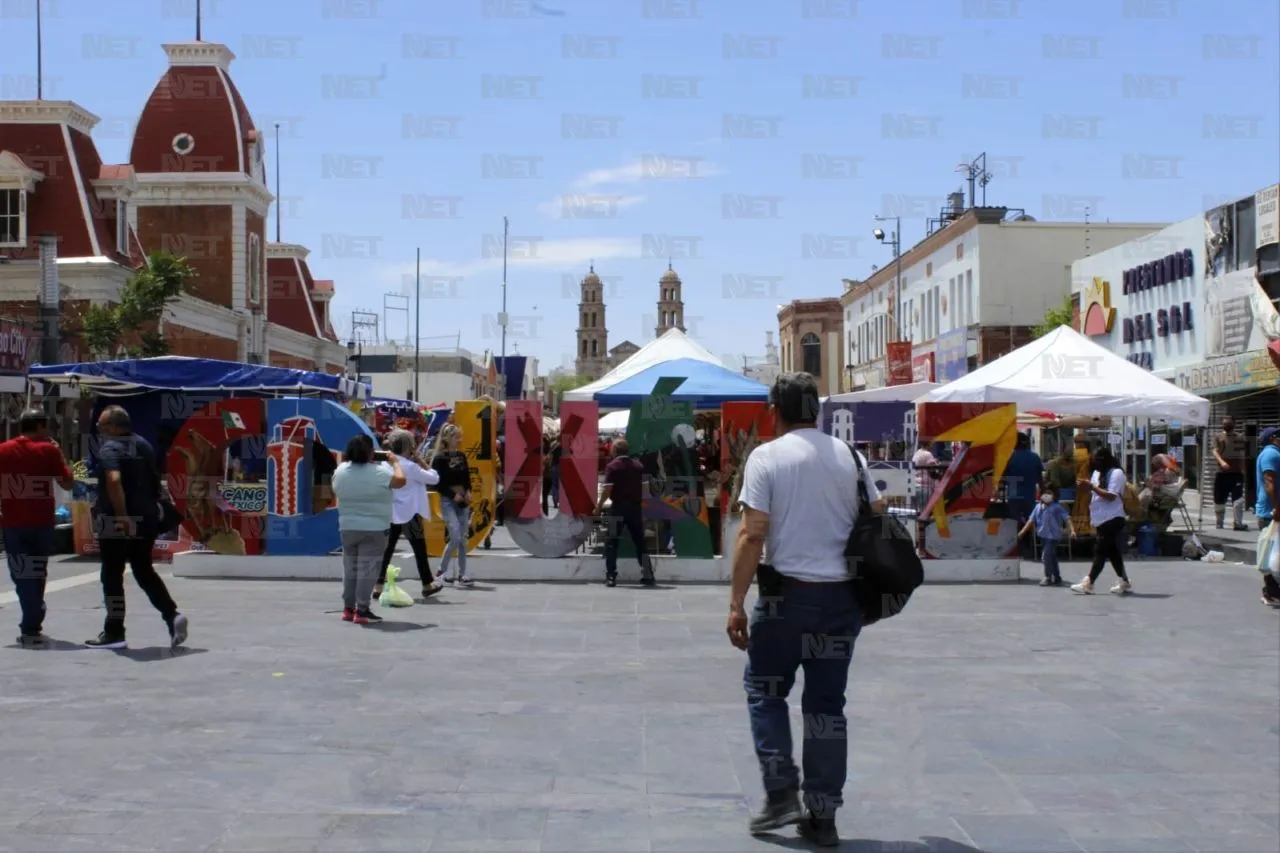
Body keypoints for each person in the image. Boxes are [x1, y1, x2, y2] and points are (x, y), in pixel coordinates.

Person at [726, 372, 883, 848]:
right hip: (841, 602)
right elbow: (875, 518)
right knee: (826, 707)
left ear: (775, 411)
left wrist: (735, 603)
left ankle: (780, 793)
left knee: (765, 691)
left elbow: (753, 533)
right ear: (815, 410)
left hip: (786, 599)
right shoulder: (850, 457)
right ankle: (823, 815)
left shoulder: (767, 457)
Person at [87, 405, 189, 649]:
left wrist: (121, 514)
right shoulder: (143, 444)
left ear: (113, 426)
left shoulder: (111, 447)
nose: (100, 431)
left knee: (111, 575)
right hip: (147, 518)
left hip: (117, 521)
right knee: (143, 570)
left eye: (101, 426)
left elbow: (113, 480)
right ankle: (171, 615)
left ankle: (114, 632)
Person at [0, 409, 75, 646]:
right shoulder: (49, 450)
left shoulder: (3, 450)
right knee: (38, 571)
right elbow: (67, 481)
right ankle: (32, 621)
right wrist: (59, 452)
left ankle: (31, 620)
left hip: (13, 522)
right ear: (41, 427)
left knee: (21, 574)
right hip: (41, 523)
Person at [332, 434, 406, 624]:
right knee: (368, 570)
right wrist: (395, 462)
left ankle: (348, 608)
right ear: (370, 453)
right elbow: (400, 481)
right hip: (374, 528)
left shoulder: (340, 470)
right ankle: (362, 610)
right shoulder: (380, 473)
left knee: (350, 568)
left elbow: (335, 489)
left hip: (347, 527)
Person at [375, 429, 444, 602]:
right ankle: (427, 583)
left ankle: (378, 586)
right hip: (410, 513)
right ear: (409, 447)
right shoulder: (411, 467)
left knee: (386, 550)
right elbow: (434, 478)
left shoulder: (385, 465)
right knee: (419, 549)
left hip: (390, 512)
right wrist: (421, 460)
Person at [1071, 446, 1132, 595]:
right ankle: (1124, 581)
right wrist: (1087, 487)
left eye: (1097, 460)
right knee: (1112, 552)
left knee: (1100, 550)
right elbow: (1095, 492)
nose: (1094, 463)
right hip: (1100, 517)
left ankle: (1088, 582)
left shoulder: (1116, 473)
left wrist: (1091, 486)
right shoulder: (1097, 474)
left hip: (1112, 517)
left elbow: (1111, 496)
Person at [595, 439, 654, 587]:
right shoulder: (639, 466)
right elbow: (646, 491)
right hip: (635, 509)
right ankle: (648, 574)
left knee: (612, 542)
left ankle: (611, 576)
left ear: (614, 451)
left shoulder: (612, 467)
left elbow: (607, 490)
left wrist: (599, 506)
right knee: (640, 543)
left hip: (618, 509)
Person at [432, 424, 474, 587]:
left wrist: (468, 491)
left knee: (463, 538)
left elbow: (467, 477)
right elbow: (437, 483)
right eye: (456, 437)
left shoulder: (462, 456)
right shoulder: (439, 458)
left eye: (459, 436)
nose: (459, 440)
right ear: (447, 438)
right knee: (455, 535)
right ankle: (441, 570)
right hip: (448, 500)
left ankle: (462, 573)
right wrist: (452, 495)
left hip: (463, 500)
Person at [1019, 487, 1074, 587]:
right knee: (1051, 557)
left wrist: (1072, 530)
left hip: (1053, 537)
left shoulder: (1056, 507)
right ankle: (1057, 577)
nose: (1046, 496)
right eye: (1045, 493)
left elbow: (1067, 518)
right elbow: (1031, 520)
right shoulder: (1037, 507)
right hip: (1043, 536)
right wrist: (1022, 532)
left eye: (1049, 494)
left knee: (1046, 556)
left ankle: (1047, 577)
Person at [1001, 432, 1044, 560]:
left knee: (1014, 523)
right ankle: (1032, 549)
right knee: (1031, 522)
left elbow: (1002, 476)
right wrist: (1043, 492)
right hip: (1029, 495)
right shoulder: (1035, 457)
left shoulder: (1009, 456)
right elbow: (1040, 478)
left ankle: (1016, 549)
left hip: (1014, 494)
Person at [1254, 426, 1280, 608]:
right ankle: (1270, 592)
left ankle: (1271, 592)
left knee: (1274, 552)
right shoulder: (1271, 455)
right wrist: (1277, 507)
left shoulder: (1273, 453)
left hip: (1272, 510)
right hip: (1272, 512)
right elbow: (1269, 482)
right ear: (1273, 438)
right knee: (1272, 552)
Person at [1212, 417, 1249, 531]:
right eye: (1224, 424)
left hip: (1236, 473)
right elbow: (1214, 451)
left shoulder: (1239, 437)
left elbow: (1242, 454)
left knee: (1238, 499)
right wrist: (1222, 462)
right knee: (1219, 499)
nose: (1226, 426)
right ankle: (1219, 523)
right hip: (1222, 473)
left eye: (1228, 424)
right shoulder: (1218, 437)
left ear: (1234, 423)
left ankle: (1238, 523)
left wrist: (1243, 470)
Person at [911, 440, 937, 511]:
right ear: (930, 443)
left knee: (919, 514)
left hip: (914, 486)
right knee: (925, 513)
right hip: (924, 487)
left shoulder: (917, 453)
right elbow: (932, 470)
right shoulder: (928, 454)